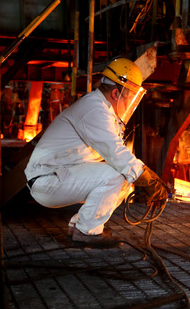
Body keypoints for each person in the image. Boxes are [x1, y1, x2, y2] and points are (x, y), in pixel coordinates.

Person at [25, 58, 168, 247]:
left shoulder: (102, 110)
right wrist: (147, 179)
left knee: (124, 179)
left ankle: (80, 226)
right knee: (117, 174)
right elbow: (115, 152)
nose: (129, 103)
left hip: (58, 174)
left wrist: (141, 177)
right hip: (47, 179)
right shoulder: (94, 109)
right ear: (117, 93)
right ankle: (87, 232)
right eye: (129, 97)